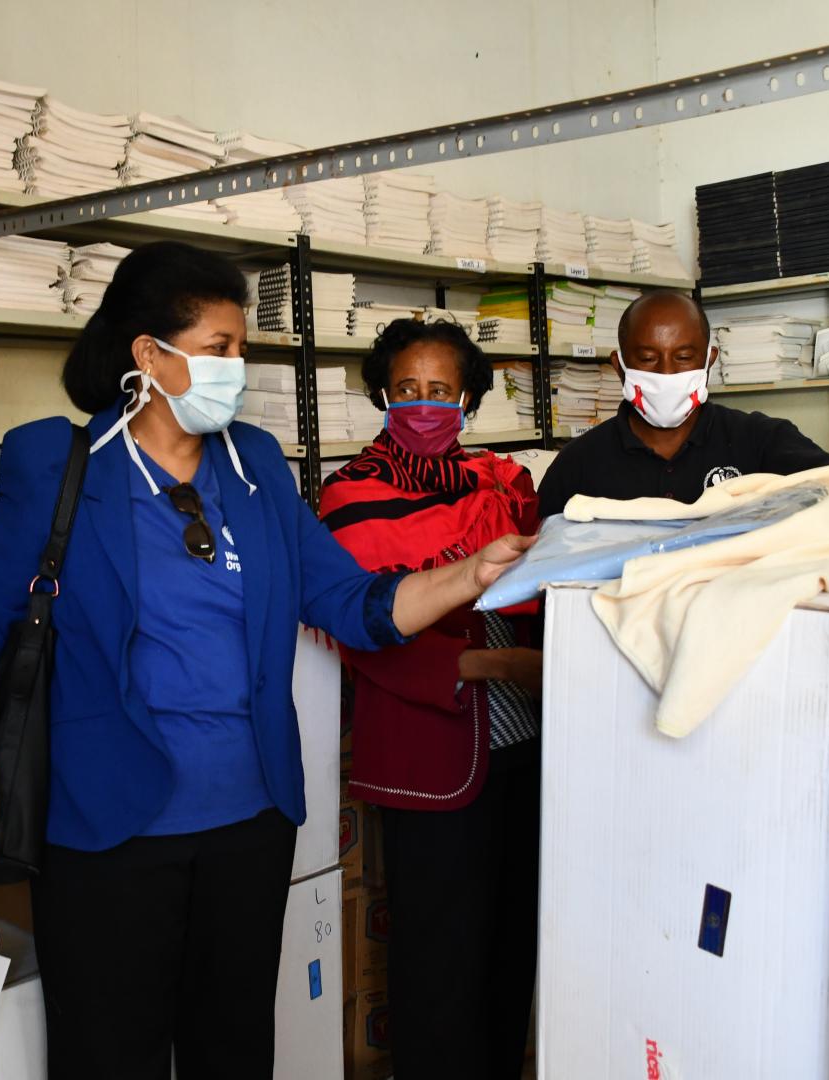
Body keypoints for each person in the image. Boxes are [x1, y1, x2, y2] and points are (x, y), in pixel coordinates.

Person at [0, 241, 530, 1080]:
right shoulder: (60, 464)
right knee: (110, 1054)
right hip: (109, 827)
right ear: (151, 355)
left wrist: (476, 570)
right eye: (219, 349)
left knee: (235, 1050)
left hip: (248, 825)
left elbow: (353, 605)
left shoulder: (256, 470)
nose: (237, 368)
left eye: (241, 348)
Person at [317, 318, 543, 1080]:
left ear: (468, 399)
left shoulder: (505, 487)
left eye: (440, 391)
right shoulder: (349, 497)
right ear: (383, 394)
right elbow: (361, 631)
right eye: (407, 390)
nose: (423, 405)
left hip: (527, 747)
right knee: (438, 961)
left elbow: (539, 592)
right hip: (430, 751)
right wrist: (491, 665)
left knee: (512, 949)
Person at [538, 290, 829, 516]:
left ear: (708, 362)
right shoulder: (578, 465)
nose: (668, 373)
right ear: (620, 366)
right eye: (647, 358)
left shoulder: (761, 440)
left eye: (684, 356)